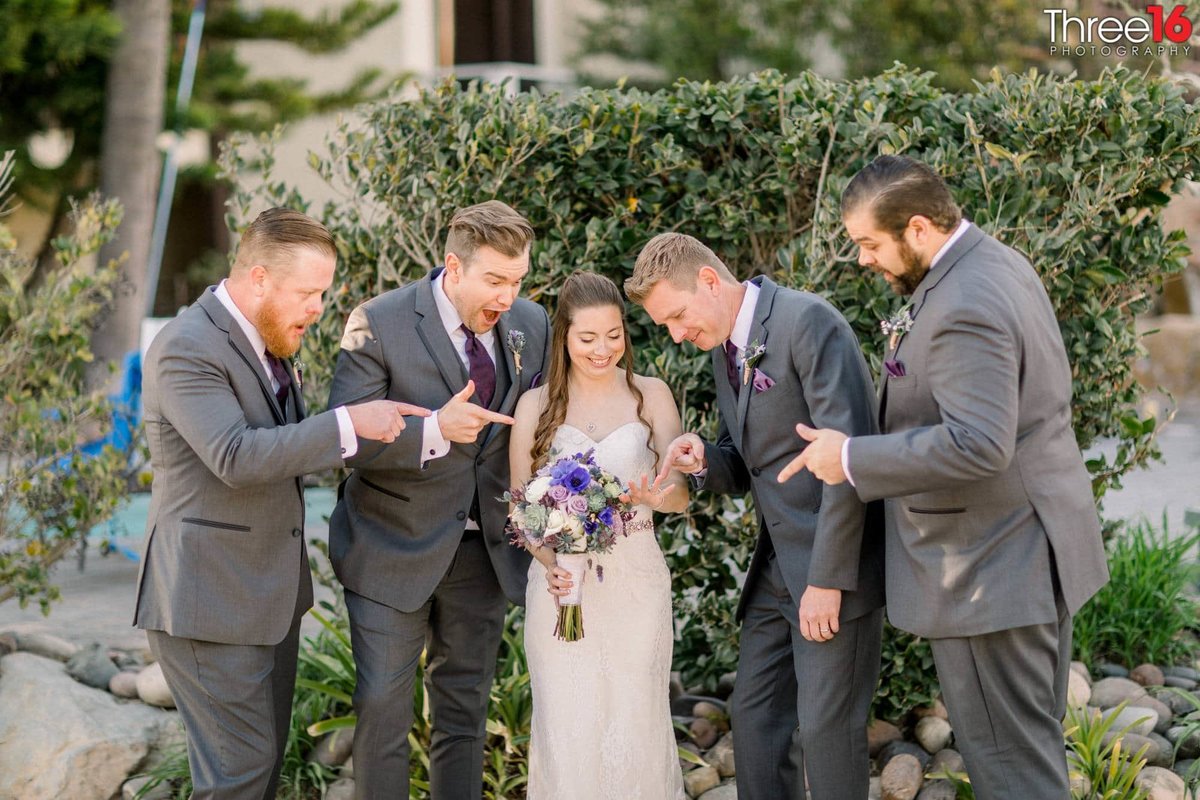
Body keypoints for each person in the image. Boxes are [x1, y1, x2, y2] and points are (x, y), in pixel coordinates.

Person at [779, 155, 1109, 800]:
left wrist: (850, 458)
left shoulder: (963, 301)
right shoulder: (993, 263)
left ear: (921, 228)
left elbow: (979, 443)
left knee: (1007, 760)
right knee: (1023, 749)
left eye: (870, 244)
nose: (864, 260)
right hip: (1021, 553)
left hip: (991, 567)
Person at [134, 208, 424, 800]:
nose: (318, 308)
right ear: (259, 278)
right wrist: (347, 422)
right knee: (238, 777)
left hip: (265, 599)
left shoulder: (265, 338)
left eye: (323, 293)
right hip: (208, 603)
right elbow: (235, 456)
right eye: (309, 293)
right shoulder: (185, 347)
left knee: (259, 773)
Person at [625, 234, 884, 800]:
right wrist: (702, 459)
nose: (675, 334)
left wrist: (827, 579)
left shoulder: (808, 323)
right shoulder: (724, 345)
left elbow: (850, 458)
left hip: (829, 569)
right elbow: (745, 465)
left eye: (676, 316)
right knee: (756, 722)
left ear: (710, 282)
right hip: (774, 573)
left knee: (827, 733)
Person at [326, 200, 551, 800]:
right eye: (495, 280)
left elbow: (542, 423)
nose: (508, 296)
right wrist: (432, 431)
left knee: (464, 712)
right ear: (454, 267)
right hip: (390, 548)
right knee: (382, 710)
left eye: (518, 280)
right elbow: (343, 441)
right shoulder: (376, 322)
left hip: (484, 554)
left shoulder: (532, 323)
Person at [508, 270, 689, 800]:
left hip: (637, 582)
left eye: (614, 335)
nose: (602, 349)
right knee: (569, 721)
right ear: (564, 335)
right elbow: (522, 509)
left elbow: (680, 493)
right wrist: (553, 567)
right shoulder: (535, 407)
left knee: (638, 717)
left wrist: (660, 497)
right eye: (588, 337)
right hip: (564, 586)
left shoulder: (651, 396)